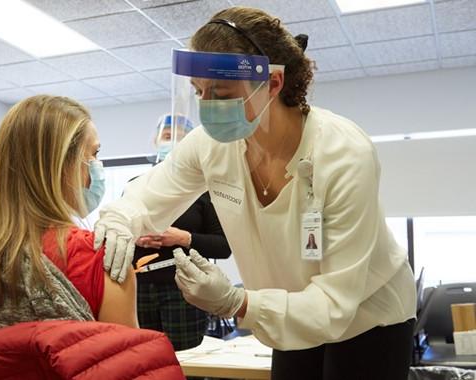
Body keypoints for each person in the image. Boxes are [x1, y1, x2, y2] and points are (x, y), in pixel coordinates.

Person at [94, 6, 416, 380]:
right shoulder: (210, 146)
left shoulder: (342, 153)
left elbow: (335, 303)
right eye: (199, 92)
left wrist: (237, 302)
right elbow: (147, 197)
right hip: (288, 311)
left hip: (368, 314)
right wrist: (117, 223)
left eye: (222, 92)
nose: (207, 107)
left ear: (273, 84)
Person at [0, 95, 138, 337]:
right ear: (60, 166)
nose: (97, 166)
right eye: (94, 153)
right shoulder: (102, 258)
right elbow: (125, 367)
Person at [133, 114, 231, 350]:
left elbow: (224, 246)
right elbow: (120, 233)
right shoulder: (137, 185)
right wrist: (136, 237)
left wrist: (182, 238)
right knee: (145, 358)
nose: (173, 142)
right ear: (156, 142)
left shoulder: (205, 190)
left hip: (187, 288)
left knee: (187, 361)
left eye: (181, 137)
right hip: (140, 288)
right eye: (167, 136)